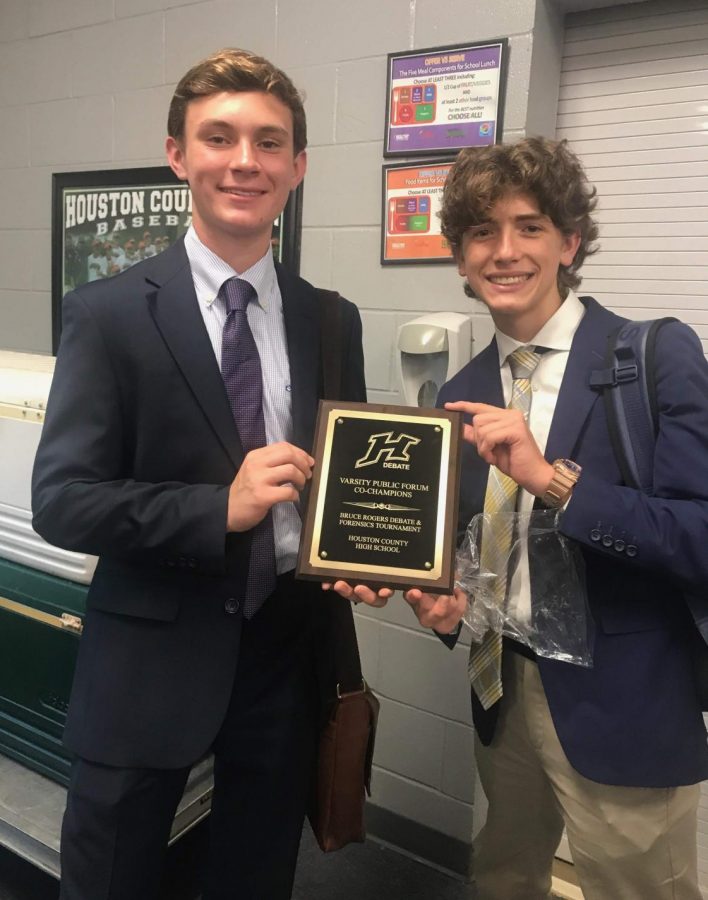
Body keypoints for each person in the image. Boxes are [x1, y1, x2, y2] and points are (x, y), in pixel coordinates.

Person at [330, 137, 708, 899]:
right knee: (505, 877)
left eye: (529, 226)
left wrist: (553, 479)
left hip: (626, 698)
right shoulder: (459, 394)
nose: (505, 251)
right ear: (462, 258)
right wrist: (443, 611)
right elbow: (471, 560)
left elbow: (699, 537)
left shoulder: (655, 355)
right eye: (481, 233)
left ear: (569, 242)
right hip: (500, 689)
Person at [32, 47, 366, 900]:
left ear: (296, 166)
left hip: (284, 659)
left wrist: (365, 556)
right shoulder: (107, 315)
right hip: (148, 655)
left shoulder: (331, 321)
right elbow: (65, 503)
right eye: (219, 138)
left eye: (269, 141)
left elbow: (345, 487)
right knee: (109, 879)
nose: (244, 161)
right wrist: (218, 507)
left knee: (255, 878)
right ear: (179, 155)